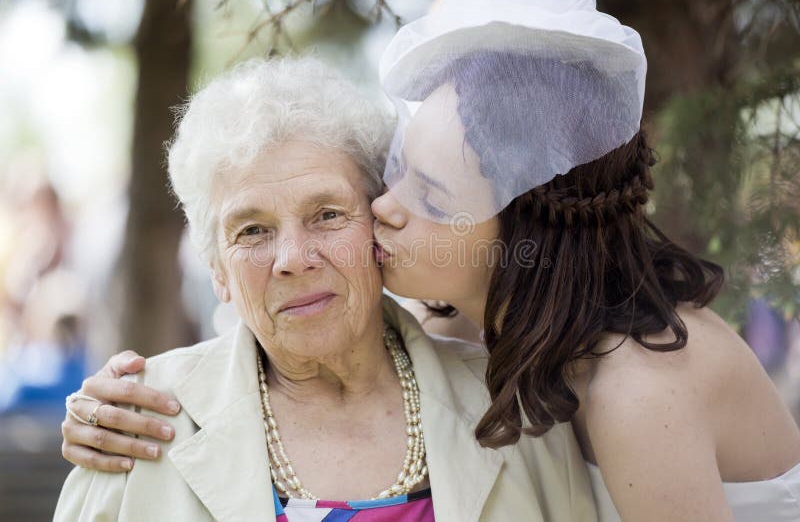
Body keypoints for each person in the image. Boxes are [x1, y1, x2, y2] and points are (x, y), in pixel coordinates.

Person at [61, 0, 800, 520]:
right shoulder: (473, 327)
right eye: (398, 173)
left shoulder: (626, 388)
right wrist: (97, 407)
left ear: (525, 239)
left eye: (433, 197)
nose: (386, 209)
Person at [54, 56, 596, 521]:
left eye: (327, 214)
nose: (293, 259)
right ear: (217, 270)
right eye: (252, 231)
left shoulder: (514, 405)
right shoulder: (138, 419)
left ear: (378, 225)